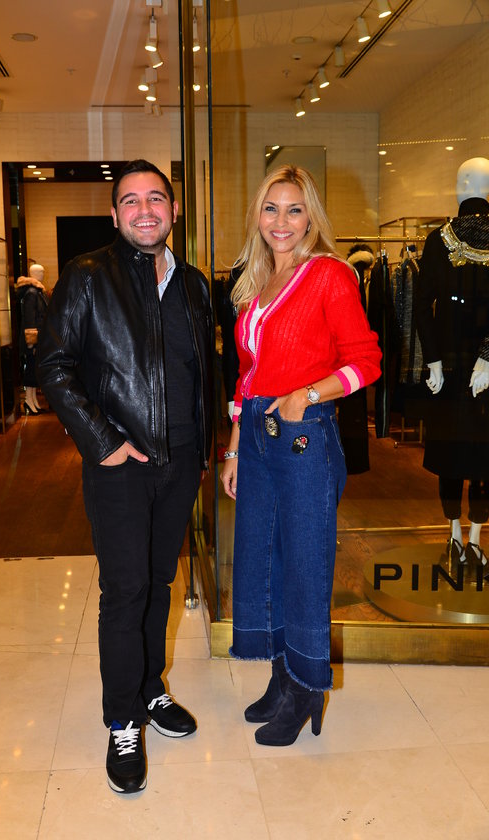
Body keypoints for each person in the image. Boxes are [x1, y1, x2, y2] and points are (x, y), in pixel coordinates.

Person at [37, 159, 213, 794]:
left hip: (181, 462)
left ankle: (149, 688)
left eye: (156, 198)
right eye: (131, 200)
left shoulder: (193, 285)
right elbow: (52, 365)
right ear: (114, 214)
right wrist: (104, 442)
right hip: (119, 467)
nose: (145, 210)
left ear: (173, 210)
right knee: (125, 590)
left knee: (160, 581)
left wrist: (208, 449)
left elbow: (203, 372)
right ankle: (122, 719)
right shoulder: (88, 275)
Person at [220, 165, 381, 747]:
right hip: (257, 438)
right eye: (271, 208)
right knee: (261, 559)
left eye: (294, 209)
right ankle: (280, 677)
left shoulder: (330, 274)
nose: (281, 221)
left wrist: (306, 395)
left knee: (305, 565)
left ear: (311, 215)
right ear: (257, 216)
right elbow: (247, 375)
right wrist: (234, 449)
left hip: (303, 434)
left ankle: (306, 686)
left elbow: (366, 361)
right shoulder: (255, 281)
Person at [416, 157, 489, 568]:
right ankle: (470, 537)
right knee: (475, 453)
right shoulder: (437, 240)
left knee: (457, 452)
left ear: (461, 187)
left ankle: (459, 534)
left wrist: (434, 360)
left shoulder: (435, 241)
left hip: (452, 363)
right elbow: (422, 307)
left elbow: (422, 308)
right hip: (472, 367)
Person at [15, 263, 49, 414]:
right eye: (40, 272)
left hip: (37, 337)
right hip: (32, 339)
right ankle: (28, 400)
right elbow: (29, 318)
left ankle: (33, 399)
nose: (42, 274)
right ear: (33, 274)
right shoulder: (31, 293)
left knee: (34, 368)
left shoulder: (37, 291)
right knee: (31, 368)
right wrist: (31, 341)